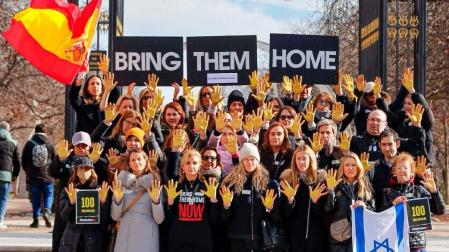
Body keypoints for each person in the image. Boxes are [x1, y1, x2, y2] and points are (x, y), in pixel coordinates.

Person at [381, 153, 445, 252]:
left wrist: (434, 192)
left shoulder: (419, 190)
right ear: (394, 171)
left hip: (417, 245)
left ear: (411, 171)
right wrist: (392, 204)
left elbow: (440, 211)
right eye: (399, 168)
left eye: (405, 168)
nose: (402, 170)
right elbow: (379, 214)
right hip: (394, 243)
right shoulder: (387, 192)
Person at [221, 143, 279, 252]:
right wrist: (226, 205)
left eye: (252, 159)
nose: (249, 163)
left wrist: (270, 208)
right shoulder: (230, 183)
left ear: (258, 161)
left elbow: (275, 216)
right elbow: (224, 216)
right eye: (246, 159)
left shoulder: (268, 184)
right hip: (238, 238)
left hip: (261, 238)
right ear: (241, 161)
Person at [164, 149, 219, 252]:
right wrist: (170, 202)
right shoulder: (176, 186)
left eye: (195, 163)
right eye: (187, 163)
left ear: (200, 166)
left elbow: (214, 219)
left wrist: (213, 199)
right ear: (182, 167)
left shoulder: (207, 186)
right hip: (178, 241)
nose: (191, 166)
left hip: (201, 241)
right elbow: (168, 219)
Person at [111, 148, 164, 252]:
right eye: (133, 160)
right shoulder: (120, 184)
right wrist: (118, 200)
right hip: (124, 238)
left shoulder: (154, 184)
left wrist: (155, 201)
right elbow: (115, 217)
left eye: (139, 159)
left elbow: (159, 219)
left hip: (146, 239)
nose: (136, 162)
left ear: (146, 161)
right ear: (129, 164)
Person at [278, 144, 328, 252]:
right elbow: (284, 213)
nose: (301, 162)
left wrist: (315, 202)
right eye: (298, 158)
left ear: (311, 160)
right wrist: (290, 200)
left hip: (315, 237)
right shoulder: (287, 181)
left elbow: (324, 212)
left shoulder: (319, 181)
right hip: (293, 236)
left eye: (304, 159)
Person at [324, 153, 374, 252]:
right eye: (347, 165)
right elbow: (328, 208)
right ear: (342, 167)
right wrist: (330, 190)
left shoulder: (366, 186)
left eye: (353, 165)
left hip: (360, 234)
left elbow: (374, 210)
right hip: (339, 236)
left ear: (358, 167)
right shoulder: (335, 184)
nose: (350, 168)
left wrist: (365, 206)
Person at [58, 157, 110, 252]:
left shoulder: (99, 191)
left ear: (92, 171)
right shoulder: (69, 191)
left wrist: (102, 203)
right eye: (81, 168)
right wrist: (71, 203)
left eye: (87, 168)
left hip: (93, 241)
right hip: (72, 239)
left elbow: (105, 220)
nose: (84, 171)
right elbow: (63, 217)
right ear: (76, 172)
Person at [21, 123, 55, 228]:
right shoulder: (50, 144)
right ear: (45, 132)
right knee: (49, 194)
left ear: (35, 131)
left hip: (33, 176)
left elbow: (24, 160)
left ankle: (36, 220)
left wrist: (28, 171)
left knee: (35, 197)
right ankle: (47, 211)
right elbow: (54, 160)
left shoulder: (29, 143)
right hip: (47, 176)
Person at [0, 121, 21, 229]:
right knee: (3, 198)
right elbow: (17, 162)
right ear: (8, 130)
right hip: (5, 175)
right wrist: (15, 175)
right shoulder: (13, 143)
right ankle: (0, 221)